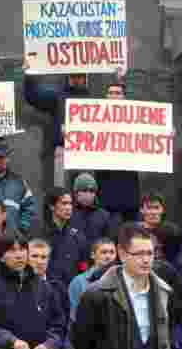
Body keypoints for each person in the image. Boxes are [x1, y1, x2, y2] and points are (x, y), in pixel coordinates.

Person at [23, 72, 91, 188]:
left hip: (84, 155)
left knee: (83, 190)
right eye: (73, 76)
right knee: (59, 190)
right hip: (61, 152)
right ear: (68, 77)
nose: (76, 79)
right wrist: (29, 74)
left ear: (85, 78)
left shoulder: (93, 99)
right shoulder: (57, 96)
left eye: (79, 76)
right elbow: (33, 97)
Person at [95, 82, 142, 223]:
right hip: (105, 180)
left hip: (128, 181)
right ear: (106, 96)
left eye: (118, 93)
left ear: (124, 97)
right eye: (110, 93)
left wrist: (166, 133)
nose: (114, 96)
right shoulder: (94, 118)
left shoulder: (135, 119)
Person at [31, 187, 87, 286]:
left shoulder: (77, 236)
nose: (68, 208)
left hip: (69, 289)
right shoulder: (38, 234)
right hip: (45, 288)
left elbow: (82, 268)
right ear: (52, 206)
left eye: (70, 204)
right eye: (64, 203)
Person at [68, 238, 118, 322]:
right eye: (104, 252)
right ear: (92, 255)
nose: (108, 256)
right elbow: (74, 315)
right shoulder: (79, 281)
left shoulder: (122, 279)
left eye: (112, 252)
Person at [71, 173, 113, 244]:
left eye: (91, 191)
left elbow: (108, 242)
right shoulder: (68, 213)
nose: (88, 194)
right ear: (76, 193)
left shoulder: (104, 216)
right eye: (84, 190)